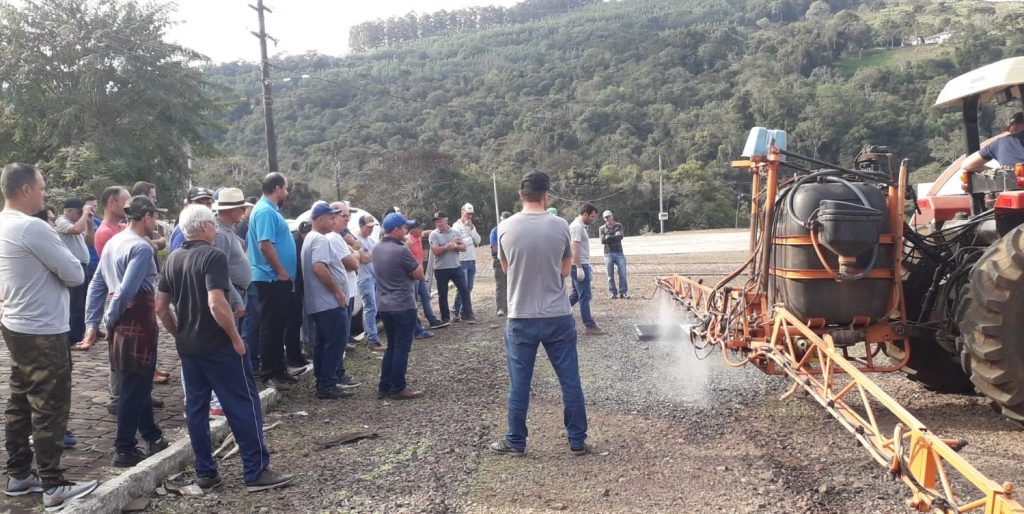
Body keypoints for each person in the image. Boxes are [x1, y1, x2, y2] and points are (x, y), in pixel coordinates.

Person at [156, 204, 295, 493]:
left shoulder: (172, 259)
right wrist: (235, 337)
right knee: (244, 404)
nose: (216, 229)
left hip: (189, 347)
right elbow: (216, 302)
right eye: (213, 225)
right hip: (218, 345)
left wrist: (177, 331)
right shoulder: (212, 255)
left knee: (196, 409)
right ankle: (255, 471)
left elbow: (161, 306)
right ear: (206, 227)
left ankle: (206, 473)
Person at [0, 163, 98, 509]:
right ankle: (53, 485)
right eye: (42, 188)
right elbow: (74, 273)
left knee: (20, 401)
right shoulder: (32, 228)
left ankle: (18, 474)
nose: (44, 194)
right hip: (44, 328)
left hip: (16, 323)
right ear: (25, 189)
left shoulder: (3, 222)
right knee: (49, 407)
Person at [489, 170, 589, 457]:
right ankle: (577, 440)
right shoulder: (560, 226)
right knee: (569, 380)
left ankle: (516, 441)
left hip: (520, 315)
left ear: (521, 195)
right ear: (547, 196)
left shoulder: (505, 227)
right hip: (557, 313)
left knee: (520, 383)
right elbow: (566, 270)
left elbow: (506, 270)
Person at [85, 196, 169, 467]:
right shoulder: (141, 248)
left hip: (121, 318)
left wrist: (94, 321)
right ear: (146, 217)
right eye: (153, 217)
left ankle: (152, 435)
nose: (154, 222)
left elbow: (97, 285)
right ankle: (124, 448)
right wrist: (108, 319)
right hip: (134, 317)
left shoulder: (113, 242)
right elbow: (126, 290)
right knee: (134, 387)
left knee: (137, 381)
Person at [301, 202, 359, 399]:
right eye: (331, 217)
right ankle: (328, 382)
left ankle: (323, 379)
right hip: (328, 302)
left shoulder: (311, 237)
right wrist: (337, 291)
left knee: (323, 342)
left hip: (319, 302)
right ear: (320, 219)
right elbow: (318, 267)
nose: (335, 221)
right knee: (335, 341)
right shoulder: (319, 240)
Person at [205, 188, 254, 416]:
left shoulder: (228, 231)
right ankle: (219, 400)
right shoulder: (222, 235)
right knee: (229, 344)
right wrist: (235, 300)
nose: (243, 212)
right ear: (232, 210)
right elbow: (220, 273)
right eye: (241, 208)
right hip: (230, 295)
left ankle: (227, 394)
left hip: (238, 291)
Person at [247, 173, 296, 390]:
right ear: (277, 188)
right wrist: (280, 271)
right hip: (270, 277)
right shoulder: (265, 210)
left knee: (278, 325)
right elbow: (265, 244)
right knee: (270, 326)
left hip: (276, 278)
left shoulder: (269, 210)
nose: (286, 193)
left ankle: (280, 369)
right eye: (285, 188)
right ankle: (269, 372)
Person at [373, 212, 425, 400]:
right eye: (404, 228)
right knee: (402, 347)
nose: (407, 230)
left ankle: (384, 385)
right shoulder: (401, 250)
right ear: (395, 230)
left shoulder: (376, 248)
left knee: (392, 346)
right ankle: (398, 387)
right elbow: (419, 273)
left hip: (385, 305)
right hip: (403, 303)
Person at [54, 197, 95, 344]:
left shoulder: (76, 223)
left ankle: (80, 332)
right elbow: (76, 230)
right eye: (79, 212)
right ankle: (72, 336)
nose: (81, 215)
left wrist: (90, 224)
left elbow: (90, 242)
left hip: (83, 266)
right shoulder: (62, 221)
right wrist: (85, 213)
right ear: (70, 211)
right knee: (75, 303)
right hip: (72, 267)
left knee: (83, 302)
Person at [429, 211, 476, 324]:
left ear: (446, 220)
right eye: (436, 222)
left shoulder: (455, 232)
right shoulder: (433, 234)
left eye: (440, 221)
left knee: (464, 290)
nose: (438, 223)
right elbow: (436, 251)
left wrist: (454, 245)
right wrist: (450, 245)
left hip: (456, 266)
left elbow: (464, 247)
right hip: (441, 269)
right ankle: (445, 318)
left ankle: (468, 315)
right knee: (443, 294)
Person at [568, 203, 606, 335]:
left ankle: (555, 313)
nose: (593, 220)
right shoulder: (577, 227)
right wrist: (578, 267)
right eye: (592, 217)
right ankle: (589, 326)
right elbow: (574, 247)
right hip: (580, 264)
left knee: (575, 295)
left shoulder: (578, 226)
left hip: (580, 264)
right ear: (585, 214)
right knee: (585, 296)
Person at [329, 201, 362, 350]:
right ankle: (337, 370)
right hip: (342, 291)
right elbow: (354, 263)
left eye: (348, 216)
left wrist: (353, 251)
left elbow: (357, 249)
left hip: (349, 288)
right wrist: (354, 252)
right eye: (344, 216)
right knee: (339, 333)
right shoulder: (334, 238)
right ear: (333, 216)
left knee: (344, 329)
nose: (347, 219)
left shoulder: (340, 236)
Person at [406, 221, 446, 332]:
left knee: (425, 297)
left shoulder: (418, 236)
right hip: (413, 275)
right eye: (419, 229)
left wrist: (437, 230)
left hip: (420, 274)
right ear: (412, 230)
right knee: (413, 301)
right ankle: (416, 325)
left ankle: (432, 320)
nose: (421, 231)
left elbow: (425, 233)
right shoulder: (408, 241)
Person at [356, 215, 383, 350]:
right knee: (370, 307)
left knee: (371, 308)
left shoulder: (370, 241)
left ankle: (369, 336)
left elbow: (371, 257)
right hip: (364, 277)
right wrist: (374, 255)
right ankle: (372, 338)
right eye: (368, 227)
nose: (371, 229)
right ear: (361, 226)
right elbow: (364, 258)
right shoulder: (357, 240)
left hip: (372, 276)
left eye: (372, 227)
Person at [451, 203, 481, 321]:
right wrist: (468, 240)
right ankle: (455, 310)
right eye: (467, 214)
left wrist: (472, 228)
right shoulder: (456, 226)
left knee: (469, 287)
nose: (469, 216)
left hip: (471, 259)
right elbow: (457, 243)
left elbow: (478, 240)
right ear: (462, 212)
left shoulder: (471, 226)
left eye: (471, 214)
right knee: (462, 288)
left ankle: (464, 311)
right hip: (462, 260)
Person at [169, 187, 215, 252]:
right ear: (188, 204)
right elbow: (179, 259)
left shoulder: (205, 228)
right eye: (200, 203)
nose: (205, 207)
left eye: (208, 203)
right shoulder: (184, 230)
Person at [599, 210, 629, 299]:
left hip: (619, 252)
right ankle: (613, 292)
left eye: (608, 216)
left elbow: (621, 237)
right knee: (610, 275)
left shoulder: (618, 225)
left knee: (622, 273)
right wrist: (614, 236)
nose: (607, 218)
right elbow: (602, 241)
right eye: (605, 217)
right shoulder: (602, 228)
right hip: (608, 253)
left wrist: (608, 237)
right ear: (604, 219)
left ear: (612, 216)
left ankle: (623, 292)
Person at [94, 185, 129, 257]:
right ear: (112, 202)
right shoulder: (105, 233)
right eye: (126, 203)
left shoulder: (124, 227)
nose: (129, 207)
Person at [489, 211, 512, 317]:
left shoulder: (514, 230)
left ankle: (511, 306)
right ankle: (501, 308)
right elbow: (494, 249)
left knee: (512, 283)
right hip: (499, 260)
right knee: (500, 284)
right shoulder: (495, 231)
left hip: (512, 259)